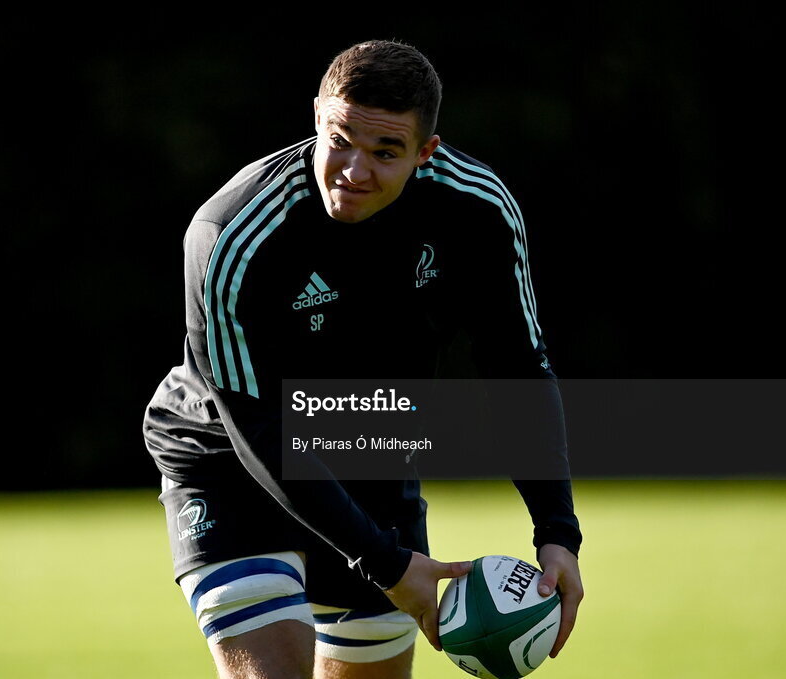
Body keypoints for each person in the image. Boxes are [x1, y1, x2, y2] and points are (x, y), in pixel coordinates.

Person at [143, 39, 583, 679]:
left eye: (385, 153)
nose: (354, 170)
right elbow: (256, 424)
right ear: (318, 116)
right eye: (340, 139)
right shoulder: (231, 233)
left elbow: (517, 368)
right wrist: (386, 563)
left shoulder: (477, 213)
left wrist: (557, 531)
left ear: (425, 153)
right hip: (231, 458)